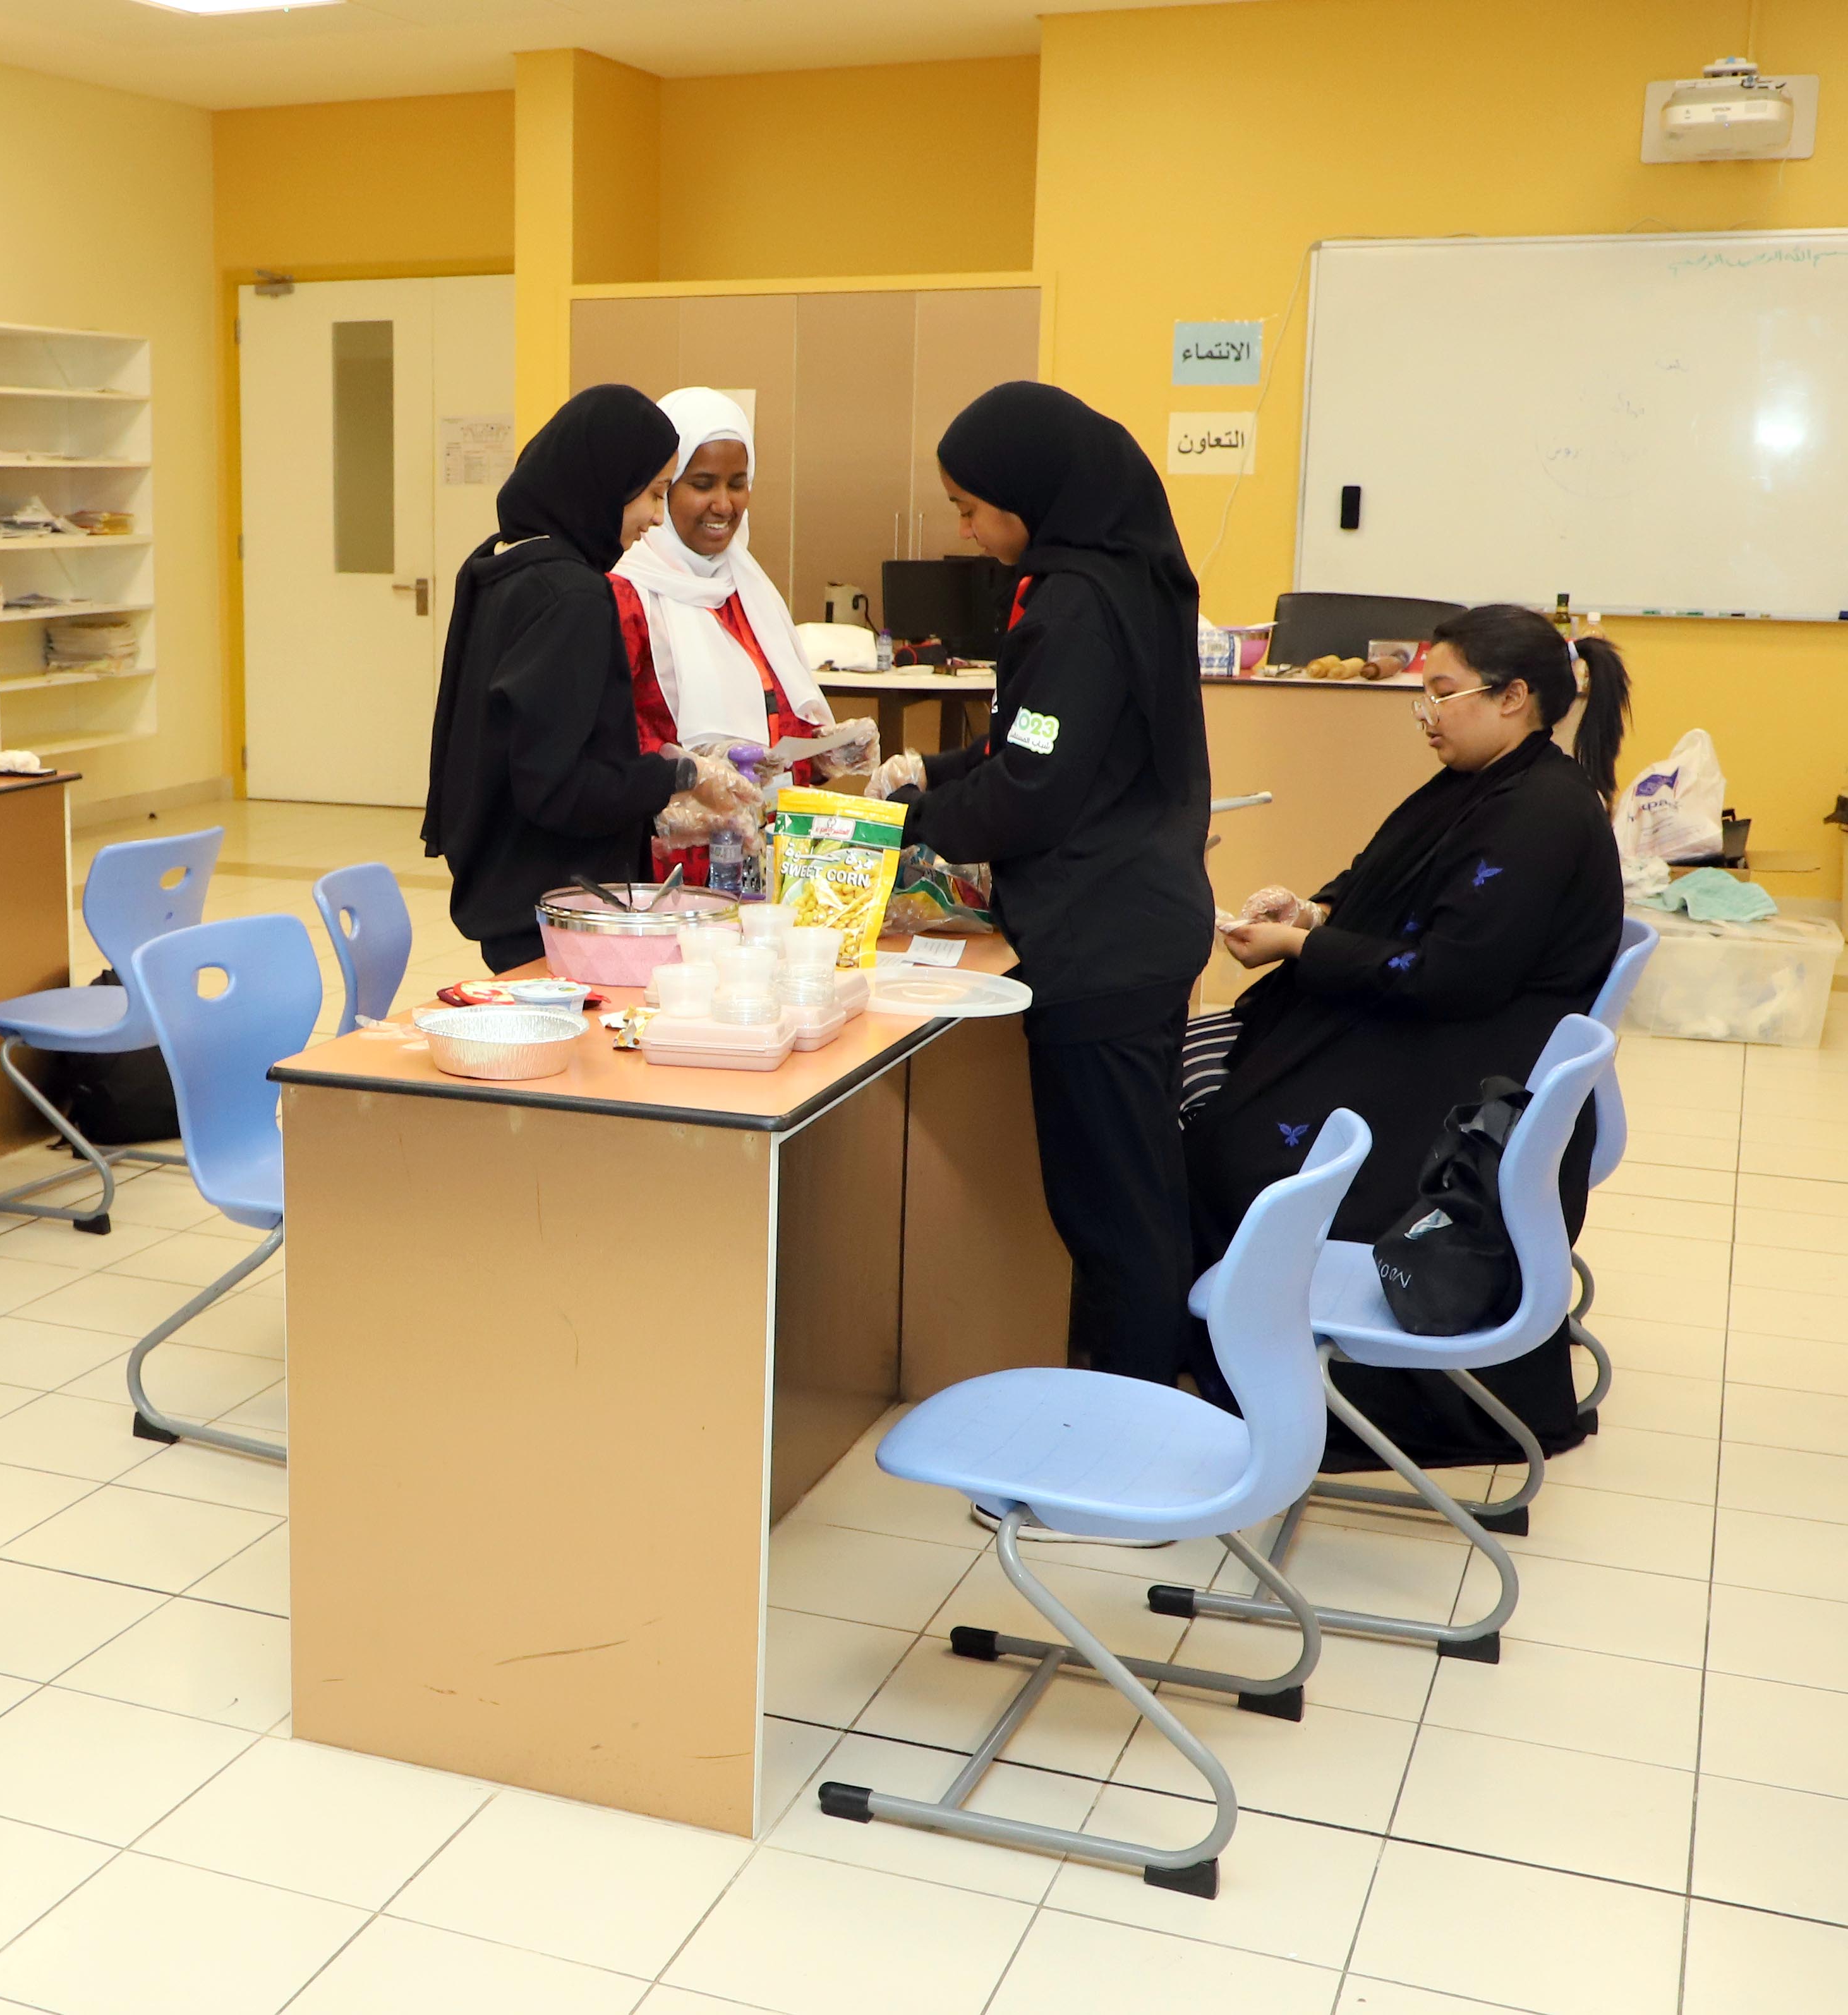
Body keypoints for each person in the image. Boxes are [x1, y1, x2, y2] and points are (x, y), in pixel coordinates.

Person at [1190, 606, 1630, 1465]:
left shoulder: (1539, 812)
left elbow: (1450, 974)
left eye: (1442, 693)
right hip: (1452, 1033)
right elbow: (1387, 887)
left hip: (1469, 1068)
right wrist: (1311, 912)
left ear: (1512, 697)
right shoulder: (1483, 782)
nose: (1426, 714)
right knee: (1223, 1099)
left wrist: (1300, 948)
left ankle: (1273, 1379)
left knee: (1233, 1148)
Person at [873, 382, 1214, 1393]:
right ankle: (1150, 1389)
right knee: (1138, 1193)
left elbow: (1031, 789)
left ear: (1031, 494)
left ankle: (1138, 1424)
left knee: (1113, 1213)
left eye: (971, 508)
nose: (965, 531)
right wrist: (937, 771)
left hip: (1101, 939)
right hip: (1142, 920)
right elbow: (1036, 740)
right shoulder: (1124, 572)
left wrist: (906, 823)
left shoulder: (1070, 603)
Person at [423, 383, 754, 972]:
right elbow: (556, 788)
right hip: (557, 906)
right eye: (653, 494)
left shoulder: (500, 562)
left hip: (499, 881)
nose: (656, 518)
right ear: (605, 481)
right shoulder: (573, 596)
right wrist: (677, 777)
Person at [608, 386, 855, 884]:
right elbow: (610, 742)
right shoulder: (626, 593)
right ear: (663, 488)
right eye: (702, 484)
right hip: (668, 866)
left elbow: (773, 725)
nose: (724, 504)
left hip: (761, 856)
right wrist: (688, 777)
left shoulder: (747, 587)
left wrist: (823, 750)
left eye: (738, 484)